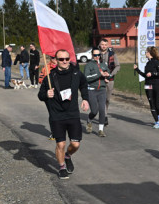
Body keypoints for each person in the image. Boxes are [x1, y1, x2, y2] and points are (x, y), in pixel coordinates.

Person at [38, 49, 91, 179]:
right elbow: (40, 95)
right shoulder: (50, 77)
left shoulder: (76, 73)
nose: (65, 61)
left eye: (67, 59)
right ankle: (62, 167)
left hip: (72, 114)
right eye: (61, 59)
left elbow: (83, 85)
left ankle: (68, 156)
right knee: (60, 144)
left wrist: (85, 99)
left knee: (75, 144)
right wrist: (46, 94)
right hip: (57, 115)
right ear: (56, 61)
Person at [134, 46, 159, 128]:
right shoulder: (147, 64)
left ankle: (158, 116)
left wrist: (152, 73)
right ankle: (157, 122)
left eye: (146, 52)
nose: (145, 53)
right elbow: (145, 75)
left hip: (157, 85)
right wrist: (137, 70)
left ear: (149, 53)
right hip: (148, 85)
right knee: (152, 104)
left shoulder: (156, 62)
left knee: (157, 105)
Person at [84, 47, 111, 137]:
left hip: (102, 90)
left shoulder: (103, 64)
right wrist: (99, 74)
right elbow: (86, 78)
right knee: (94, 111)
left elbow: (108, 73)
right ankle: (89, 119)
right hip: (92, 90)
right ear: (92, 55)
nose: (97, 57)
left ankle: (100, 130)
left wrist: (107, 76)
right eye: (95, 55)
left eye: (98, 55)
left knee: (102, 110)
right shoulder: (89, 65)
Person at [98, 38, 121, 108]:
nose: (104, 46)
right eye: (102, 44)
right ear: (99, 45)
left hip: (110, 79)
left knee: (107, 99)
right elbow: (92, 66)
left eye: (105, 45)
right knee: (100, 98)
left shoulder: (112, 54)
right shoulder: (95, 53)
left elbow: (118, 66)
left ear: (108, 45)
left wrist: (110, 75)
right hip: (98, 79)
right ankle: (102, 115)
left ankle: (105, 113)